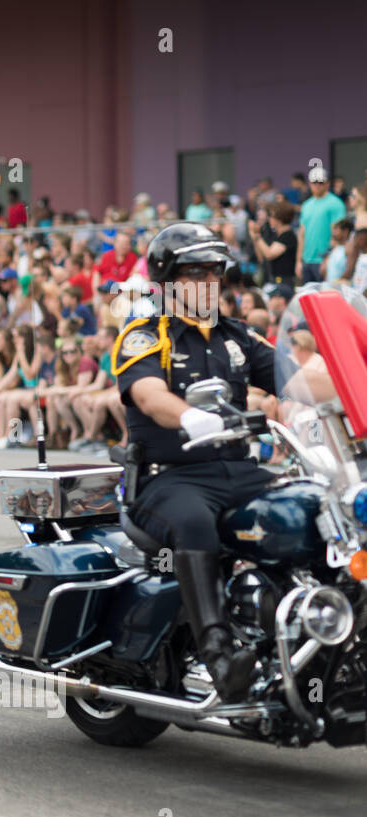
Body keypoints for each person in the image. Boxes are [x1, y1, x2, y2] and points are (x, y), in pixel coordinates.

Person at [112, 222, 278, 702]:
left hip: (239, 471)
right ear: (167, 280)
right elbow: (147, 394)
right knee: (194, 522)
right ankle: (218, 653)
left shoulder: (237, 336)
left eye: (214, 271)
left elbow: (295, 375)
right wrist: (190, 417)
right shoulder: (145, 334)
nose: (209, 280)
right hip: (170, 479)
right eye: (195, 272)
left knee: (307, 510)